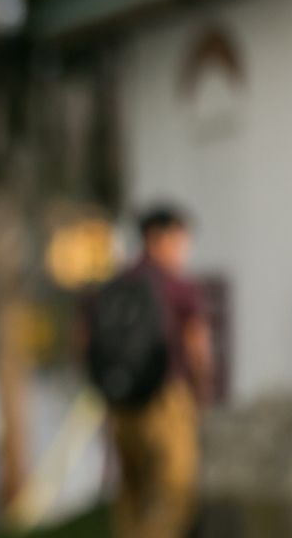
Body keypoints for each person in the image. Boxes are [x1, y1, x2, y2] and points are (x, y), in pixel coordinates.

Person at [85, 206, 212, 538]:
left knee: (133, 499)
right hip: (166, 401)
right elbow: (198, 346)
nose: (183, 249)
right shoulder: (176, 286)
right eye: (180, 240)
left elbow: (83, 342)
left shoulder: (113, 285)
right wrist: (201, 392)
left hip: (120, 406)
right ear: (158, 238)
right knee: (176, 494)